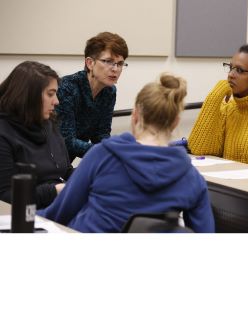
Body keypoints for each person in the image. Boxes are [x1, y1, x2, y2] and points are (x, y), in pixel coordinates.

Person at [38, 73, 215, 233]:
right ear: (176, 122)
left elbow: (58, 214)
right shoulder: (192, 178)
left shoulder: (102, 156)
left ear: (135, 115)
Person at [188, 33, 248, 165]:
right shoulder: (227, 108)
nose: (230, 75)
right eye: (230, 68)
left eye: (239, 70)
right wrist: (214, 97)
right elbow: (198, 150)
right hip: (225, 182)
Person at [0, 61, 73, 209]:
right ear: (28, 96)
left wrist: (92, 175)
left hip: (57, 204)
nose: (57, 101)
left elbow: (65, 170)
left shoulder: (48, 122)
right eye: (50, 94)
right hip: (28, 215)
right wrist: (55, 190)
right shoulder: (3, 133)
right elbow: (5, 198)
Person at [56, 31, 129, 162]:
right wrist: (107, 152)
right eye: (108, 61)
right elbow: (67, 141)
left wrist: (114, 149)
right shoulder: (67, 87)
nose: (115, 69)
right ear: (90, 63)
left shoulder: (109, 91)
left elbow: (101, 135)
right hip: (48, 163)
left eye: (120, 63)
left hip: (65, 164)